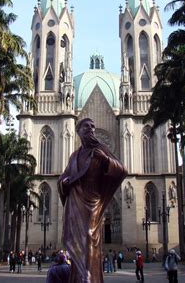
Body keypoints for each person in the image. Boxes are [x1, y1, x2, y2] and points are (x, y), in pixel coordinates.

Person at [58, 118, 127, 282]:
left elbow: (122, 170)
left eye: (93, 127)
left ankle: (89, 277)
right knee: (76, 241)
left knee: (89, 237)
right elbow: (64, 176)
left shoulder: (100, 149)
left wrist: (105, 159)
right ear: (78, 131)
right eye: (86, 126)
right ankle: (79, 277)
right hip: (76, 202)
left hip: (93, 202)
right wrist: (64, 182)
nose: (91, 129)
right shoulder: (74, 156)